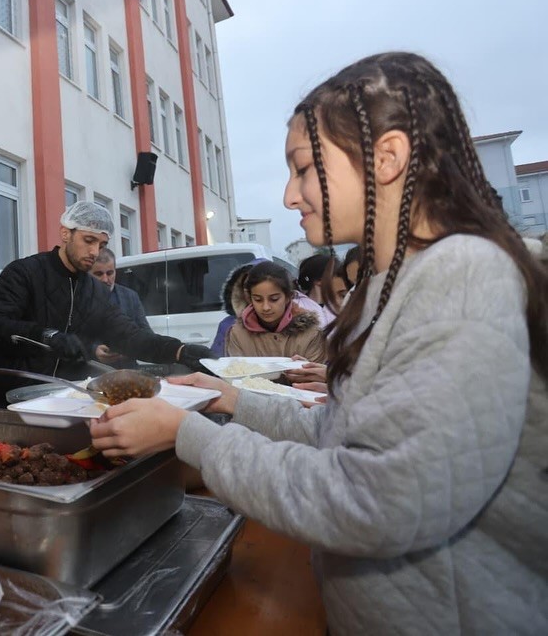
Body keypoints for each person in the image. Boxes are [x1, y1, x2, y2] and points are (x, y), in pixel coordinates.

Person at [90, 52, 548, 633]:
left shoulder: (463, 275)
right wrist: (226, 399)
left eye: (303, 169)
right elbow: (343, 437)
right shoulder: (393, 286)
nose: (288, 195)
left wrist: (188, 434)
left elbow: (375, 499)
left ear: (387, 158)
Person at [0, 201, 211, 408]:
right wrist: (48, 336)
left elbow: (130, 335)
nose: (94, 252)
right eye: (88, 240)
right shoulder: (25, 273)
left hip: (66, 401)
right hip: (13, 400)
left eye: (101, 244)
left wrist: (179, 350)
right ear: (65, 233)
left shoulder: (95, 291)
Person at [225, 261, 326, 363]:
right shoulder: (238, 334)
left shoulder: (311, 334)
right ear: (249, 298)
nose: (266, 307)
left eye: (274, 299)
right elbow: (234, 372)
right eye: (258, 300)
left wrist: (307, 369)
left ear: (288, 297)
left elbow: (317, 375)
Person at [88, 246, 150, 368]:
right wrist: (93, 349)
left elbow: (146, 332)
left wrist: (132, 347)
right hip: (93, 372)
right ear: (88, 274)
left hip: (128, 370)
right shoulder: (78, 297)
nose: (105, 279)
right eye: (99, 274)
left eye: (110, 273)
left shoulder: (130, 296)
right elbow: (71, 337)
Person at [208, 260, 261, 356]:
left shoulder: (292, 326)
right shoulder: (228, 325)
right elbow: (218, 360)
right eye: (246, 286)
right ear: (240, 290)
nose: (251, 290)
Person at [295, 253, 341, 325]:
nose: (340, 281)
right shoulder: (295, 306)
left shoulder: (341, 305)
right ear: (319, 280)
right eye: (336, 276)